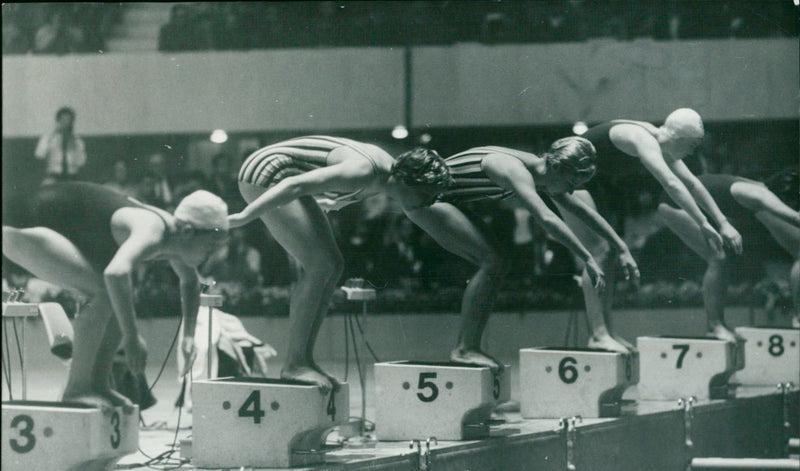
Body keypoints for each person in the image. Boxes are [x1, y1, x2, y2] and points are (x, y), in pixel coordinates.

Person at [228, 135, 454, 391]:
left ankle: (304, 359)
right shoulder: (365, 170)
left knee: (333, 265)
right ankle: (295, 363)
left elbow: (343, 186)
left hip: (284, 173)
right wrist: (245, 216)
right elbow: (294, 184)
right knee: (319, 265)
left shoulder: (386, 172)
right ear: (408, 181)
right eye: (426, 195)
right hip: (266, 171)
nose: (427, 204)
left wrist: (335, 202)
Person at [2, 182, 229, 411]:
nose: (211, 255)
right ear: (188, 231)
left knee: (118, 296)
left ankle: (99, 385)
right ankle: (77, 389)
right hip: (21, 222)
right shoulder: (153, 230)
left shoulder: (176, 237)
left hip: (50, 223)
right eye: (210, 246)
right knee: (105, 292)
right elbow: (116, 272)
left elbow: (190, 283)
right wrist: (131, 337)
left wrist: (189, 335)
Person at [401, 137, 611, 371]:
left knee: (499, 261)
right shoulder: (514, 170)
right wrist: (588, 258)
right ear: (558, 168)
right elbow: (547, 219)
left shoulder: (542, 172)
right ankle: (464, 349)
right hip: (426, 201)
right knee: (492, 262)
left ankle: (467, 347)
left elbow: (580, 210)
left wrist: (620, 248)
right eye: (572, 183)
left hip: (443, 200)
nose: (572, 190)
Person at [569, 108, 743, 350]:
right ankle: (598, 335)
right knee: (599, 252)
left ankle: (604, 331)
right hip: (565, 179)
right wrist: (703, 223)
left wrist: (722, 222)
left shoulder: (662, 141)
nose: (692, 152)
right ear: (680, 139)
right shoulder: (644, 140)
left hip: (587, 181)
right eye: (692, 146)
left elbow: (692, 183)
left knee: (607, 253)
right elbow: (671, 183)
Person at [660, 174, 800, 334]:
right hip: (676, 202)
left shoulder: (761, 189)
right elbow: (795, 218)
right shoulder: (760, 196)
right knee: (718, 258)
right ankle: (714, 325)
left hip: (706, 201)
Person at [34, 106, 86, 185]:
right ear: (57, 121)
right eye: (63, 119)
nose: (65, 123)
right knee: (46, 189)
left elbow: (81, 163)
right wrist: (51, 137)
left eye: (68, 120)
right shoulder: (48, 138)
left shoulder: (77, 140)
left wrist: (76, 148)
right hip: (53, 176)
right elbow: (39, 155)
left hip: (72, 177)